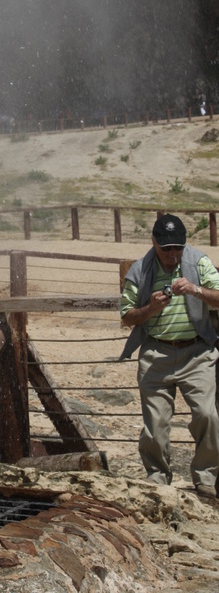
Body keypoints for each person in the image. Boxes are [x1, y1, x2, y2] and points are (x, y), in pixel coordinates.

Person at [120, 213, 219, 500]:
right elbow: (127, 317)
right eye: (167, 249)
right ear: (154, 243)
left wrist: (196, 290)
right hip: (155, 352)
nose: (173, 254)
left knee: (208, 416)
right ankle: (157, 480)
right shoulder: (140, 269)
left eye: (177, 248)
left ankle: (205, 478)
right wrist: (150, 308)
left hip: (197, 352)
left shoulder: (198, 262)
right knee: (155, 426)